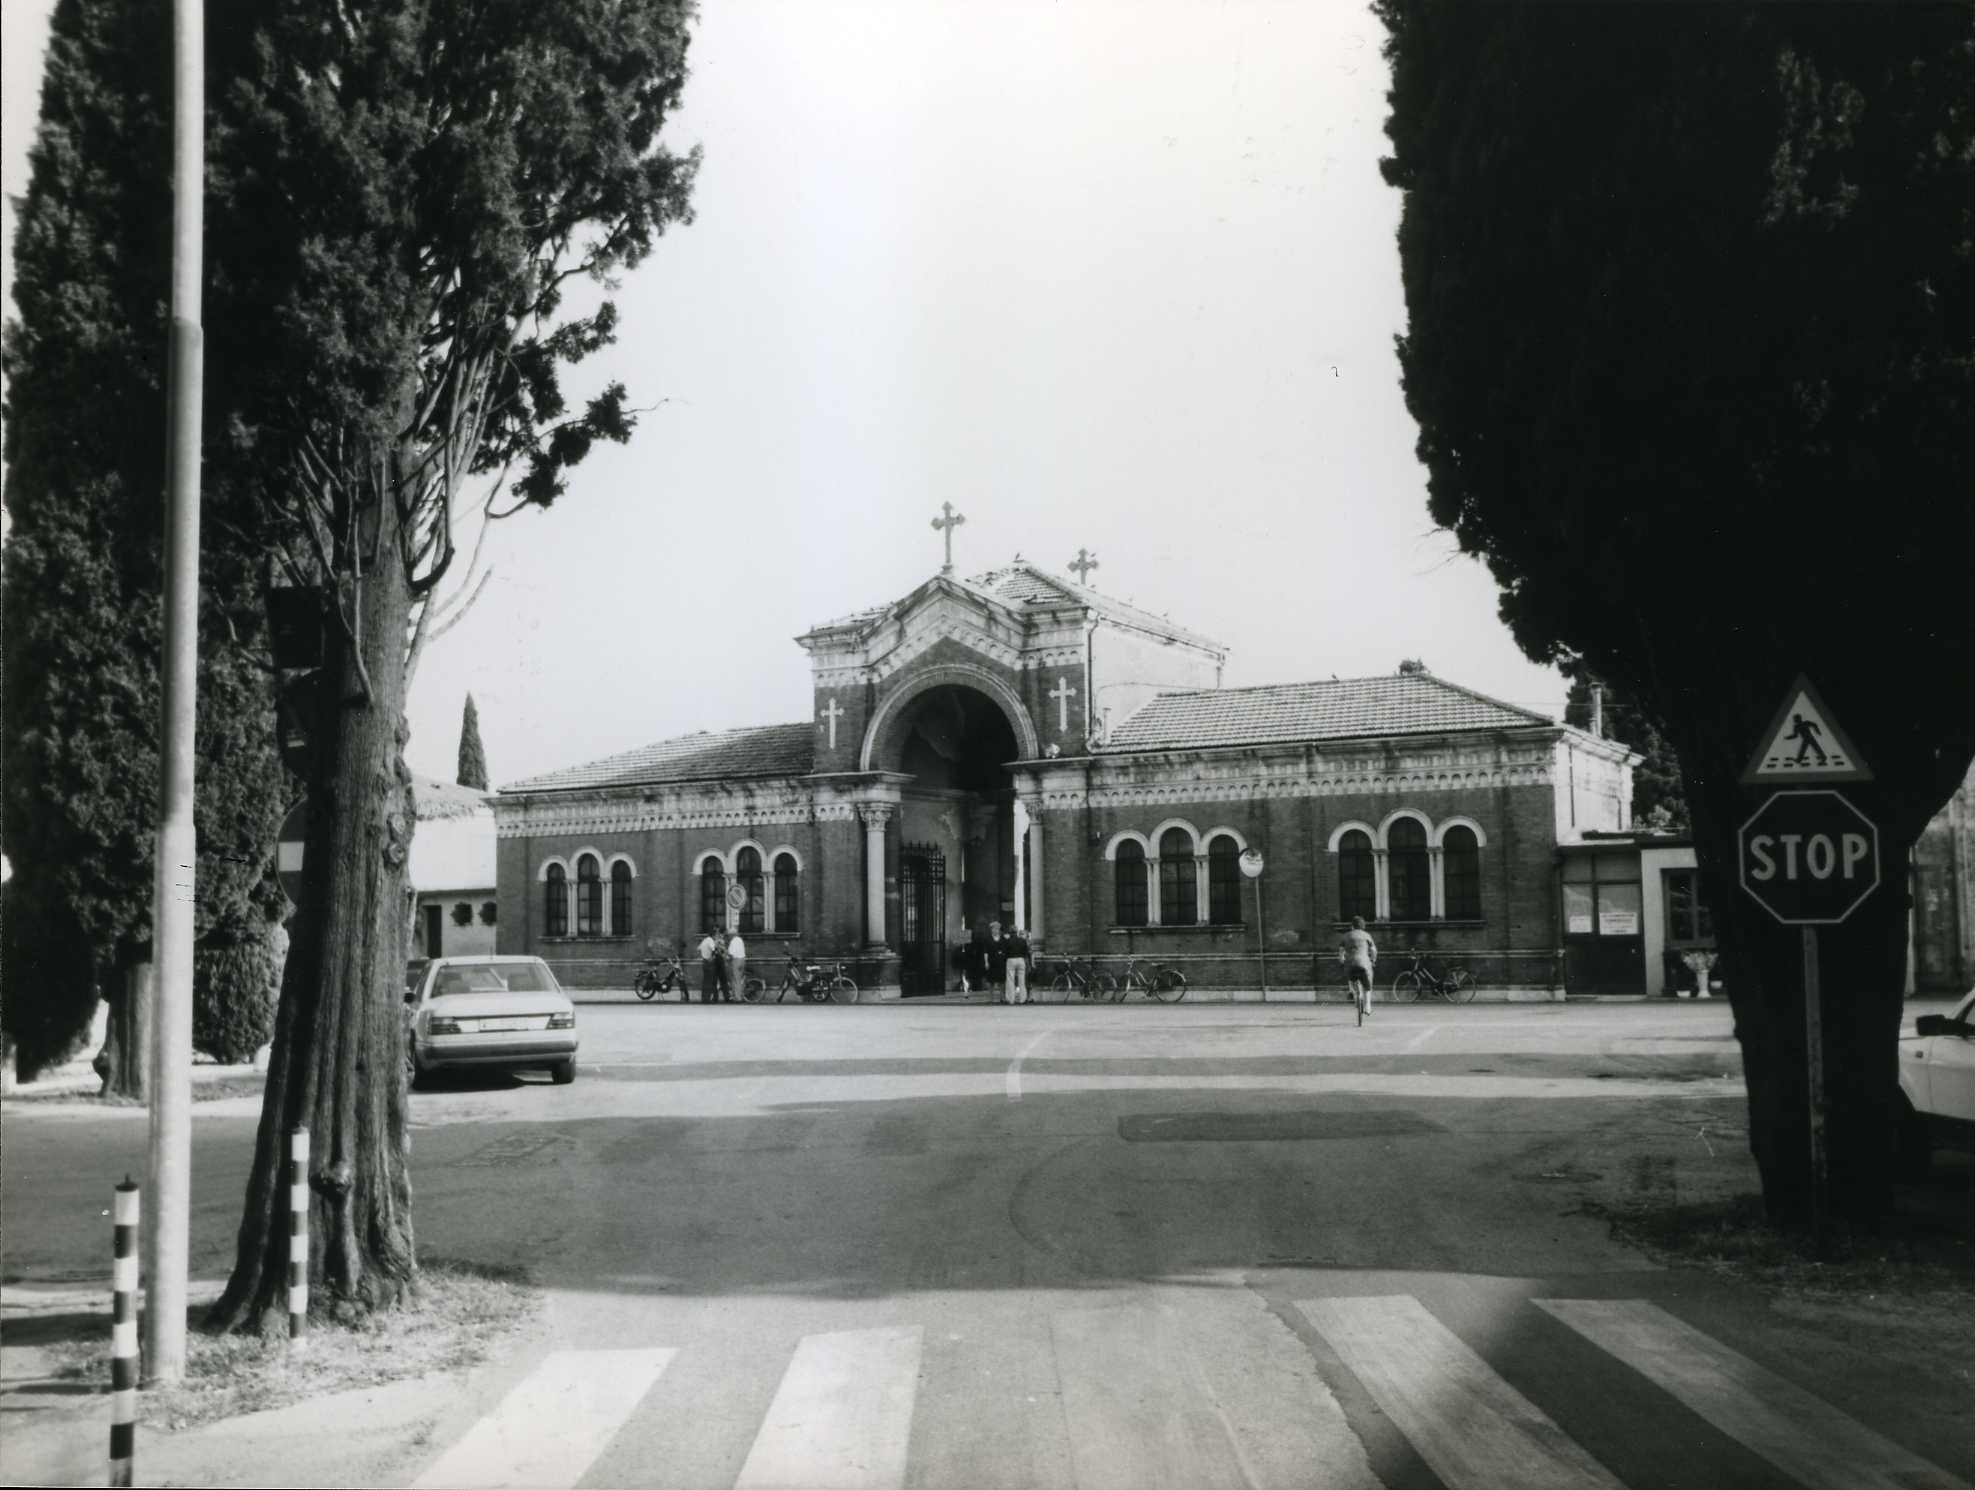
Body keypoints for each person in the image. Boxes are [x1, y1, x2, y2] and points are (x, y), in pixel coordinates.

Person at [1338, 915, 1377, 1017]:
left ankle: (1352, 991)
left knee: (1348, 973)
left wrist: (1342, 961)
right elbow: (1373, 950)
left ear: (1352, 926)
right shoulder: (1367, 935)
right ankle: (1368, 1006)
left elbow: (1341, 952)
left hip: (1350, 963)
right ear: (1362, 926)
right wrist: (1373, 960)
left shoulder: (1346, 936)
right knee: (1368, 985)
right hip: (1364, 963)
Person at [1004, 926, 1031, 1005]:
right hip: (1021, 959)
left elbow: (1005, 952)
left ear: (1010, 932)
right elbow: (1026, 952)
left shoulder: (1008, 941)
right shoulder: (1022, 940)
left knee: (1010, 980)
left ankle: (1011, 999)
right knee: (1022, 981)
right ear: (1017, 932)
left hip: (1011, 959)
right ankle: (1022, 999)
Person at [985, 921, 1008, 1003]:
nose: (996, 930)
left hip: (1001, 962)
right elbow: (986, 952)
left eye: (997, 929)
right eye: (994, 929)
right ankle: (990, 998)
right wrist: (986, 962)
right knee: (990, 981)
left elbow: (1006, 950)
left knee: (1002, 981)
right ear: (991, 930)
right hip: (992, 962)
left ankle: (1003, 997)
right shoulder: (988, 939)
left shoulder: (1003, 939)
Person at [697, 928, 721, 1004]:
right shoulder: (710, 940)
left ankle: (704, 998)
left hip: (704, 962)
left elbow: (698, 948)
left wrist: (704, 955)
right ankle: (708, 999)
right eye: (716, 935)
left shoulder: (705, 940)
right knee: (711, 981)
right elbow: (714, 950)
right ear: (713, 935)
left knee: (706, 981)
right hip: (709, 963)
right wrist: (712, 957)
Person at [725, 930, 746, 1002]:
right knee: (739, 979)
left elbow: (731, 954)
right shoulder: (740, 940)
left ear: (732, 935)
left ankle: (737, 998)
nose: (728, 937)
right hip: (742, 960)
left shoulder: (733, 942)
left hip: (736, 961)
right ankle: (740, 996)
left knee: (735, 979)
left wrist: (726, 956)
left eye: (729, 935)